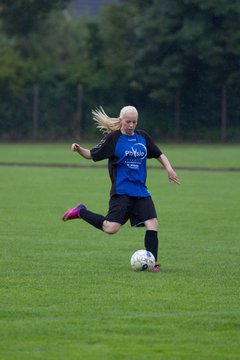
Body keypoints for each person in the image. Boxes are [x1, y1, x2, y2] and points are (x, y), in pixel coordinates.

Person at [62, 105, 180, 271]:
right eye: (128, 122)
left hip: (140, 191)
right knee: (111, 228)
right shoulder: (113, 139)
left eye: (134, 122)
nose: (131, 125)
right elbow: (91, 155)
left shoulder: (142, 137)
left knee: (152, 223)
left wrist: (169, 169)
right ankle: (81, 211)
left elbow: (159, 154)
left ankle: (152, 263)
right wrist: (78, 149)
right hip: (122, 191)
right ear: (121, 120)